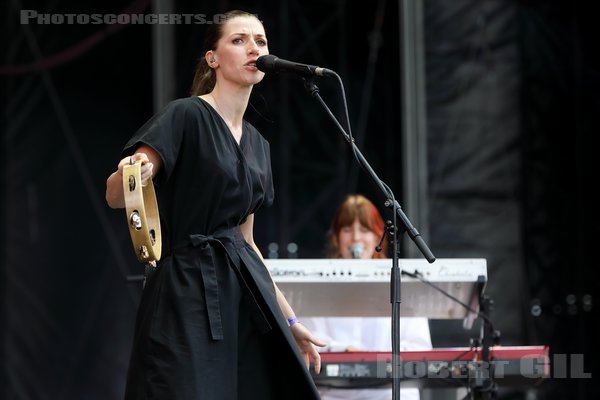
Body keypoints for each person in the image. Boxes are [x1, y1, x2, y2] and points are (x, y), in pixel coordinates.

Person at [105, 10, 325, 399]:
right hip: (186, 287)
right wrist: (134, 172)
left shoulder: (259, 144)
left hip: (243, 291)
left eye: (260, 41)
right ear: (213, 58)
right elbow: (117, 194)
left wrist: (289, 319)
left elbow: (248, 243)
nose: (253, 48)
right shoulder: (186, 115)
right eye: (239, 40)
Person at [302, 194, 432, 400]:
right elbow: (309, 341)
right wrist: (342, 350)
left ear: (378, 235)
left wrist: (376, 359)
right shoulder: (318, 286)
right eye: (347, 230)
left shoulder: (401, 282)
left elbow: (420, 348)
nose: (355, 238)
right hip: (335, 394)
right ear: (336, 238)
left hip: (389, 393)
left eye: (364, 230)